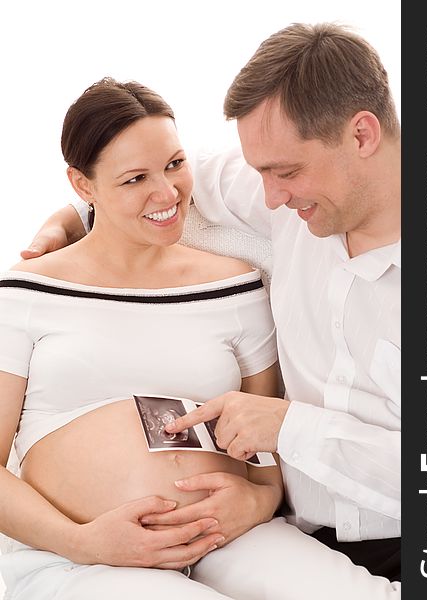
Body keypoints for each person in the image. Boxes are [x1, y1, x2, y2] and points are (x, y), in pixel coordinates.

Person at [0, 77, 400, 599]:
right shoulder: (27, 291)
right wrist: (81, 541)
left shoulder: (235, 285)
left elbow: (265, 453)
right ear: (82, 185)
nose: (167, 193)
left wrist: (256, 503)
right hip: (82, 552)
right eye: (133, 178)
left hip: (229, 534)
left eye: (174, 164)